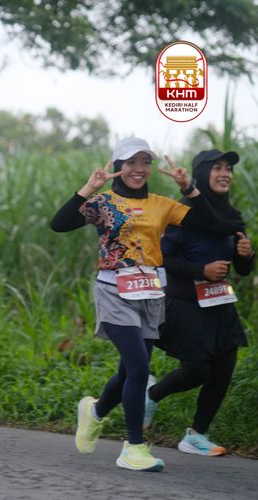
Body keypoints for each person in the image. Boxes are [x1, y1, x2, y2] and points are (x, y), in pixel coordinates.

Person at [50, 137, 241, 472]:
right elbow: (59, 224)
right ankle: (134, 447)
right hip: (114, 292)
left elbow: (219, 225)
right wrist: (89, 188)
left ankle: (95, 411)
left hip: (151, 295)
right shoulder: (104, 202)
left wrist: (189, 189)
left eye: (145, 162)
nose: (139, 169)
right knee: (140, 368)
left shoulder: (162, 204)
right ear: (118, 167)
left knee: (128, 371)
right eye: (131, 163)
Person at [146, 150, 254, 456]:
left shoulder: (232, 217)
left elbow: (243, 269)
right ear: (202, 173)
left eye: (228, 168)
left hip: (220, 302)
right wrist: (201, 270)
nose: (225, 174)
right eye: (217, 168)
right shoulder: (183, 212)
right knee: (196, 369)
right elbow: (162, 257)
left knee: (224, 368)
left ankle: (197, 435)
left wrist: (246, 255)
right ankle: (151, 395)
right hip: (184, 302)